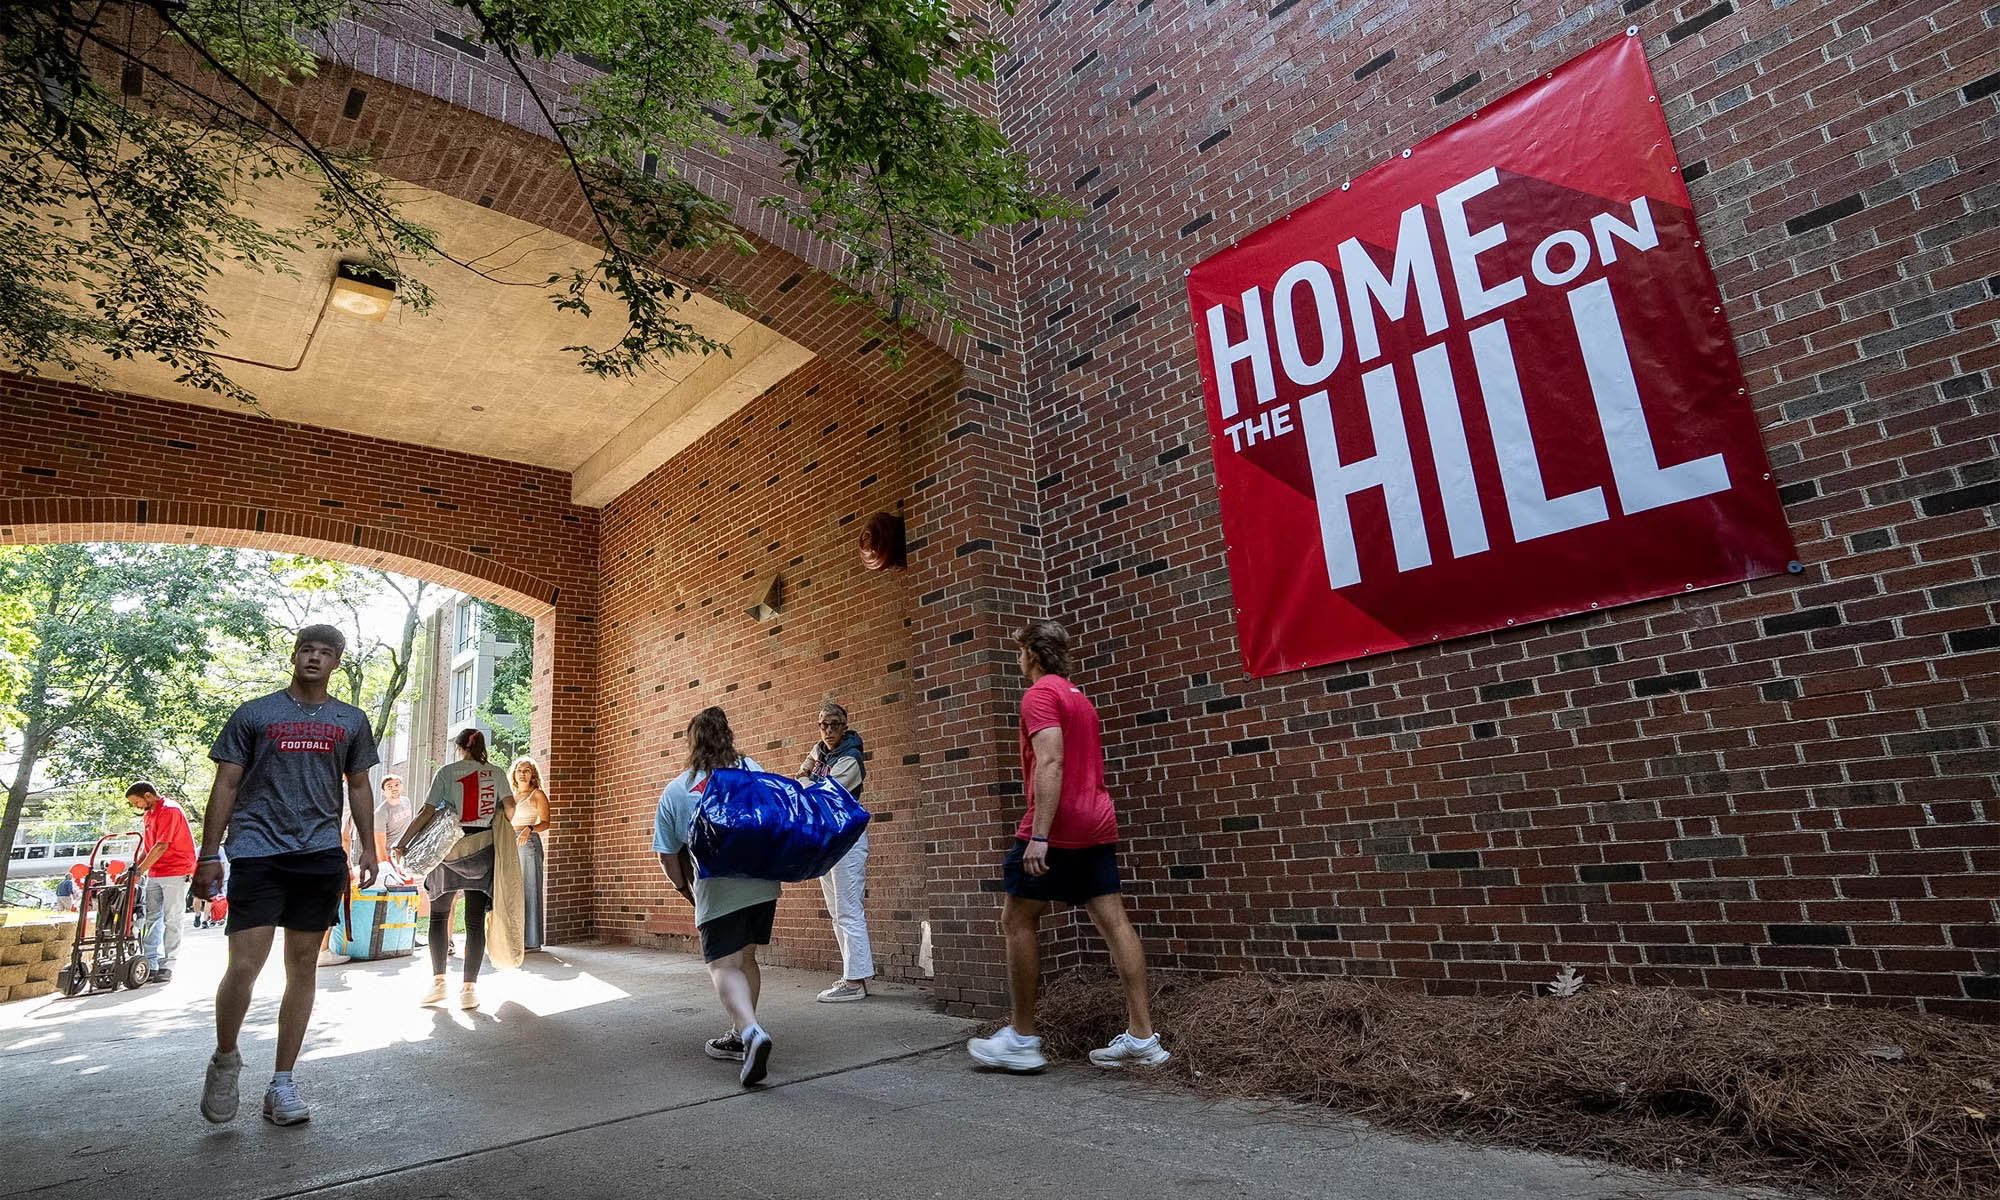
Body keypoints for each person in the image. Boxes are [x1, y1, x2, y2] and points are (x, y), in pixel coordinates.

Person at [194, 625, 379, 1126]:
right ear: (294, 656)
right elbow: (226, 783)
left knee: (303, 968)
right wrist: (208, 853)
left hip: (319, 854)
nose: (315, 658)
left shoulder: (350, 719)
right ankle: (226, 1058)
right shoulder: (256, 713)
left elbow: (359, 786)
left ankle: (282, 1083)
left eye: (325, 652)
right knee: (245, 965)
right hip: (257, 852)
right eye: (307, 650)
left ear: (336, 662)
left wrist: (368, 847)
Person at [967, 621, 1170, 1073]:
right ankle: (1143, 1037)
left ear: (1033, 656)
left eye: (1020, 654)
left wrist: (1039, 835)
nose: (1019, 662)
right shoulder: (1079, 698)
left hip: (1058, 826)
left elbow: (1052, 760)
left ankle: (1021, 1039)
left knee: (1017, 919)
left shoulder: (1040, 694)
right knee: (1114, 922)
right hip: (1096, 821)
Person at [654, 707, 778, 1086]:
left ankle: (752, 1031)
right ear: (728, 736)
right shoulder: (751, 769)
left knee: (723, 966)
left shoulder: (678, 789)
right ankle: (741, 1034)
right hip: (762, 883)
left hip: (717, 887)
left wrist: (684, 890)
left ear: (692, 743)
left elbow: (667, 852)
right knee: (746, 959)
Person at [395, 728, 523, 1010]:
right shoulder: (497, 772)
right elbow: (511, 809)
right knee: (475, 921)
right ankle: (469, 990)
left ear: (459, 747)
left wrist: (403, 843)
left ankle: (439, 984)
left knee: (439, 917)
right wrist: (496, 816)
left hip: (446, 850)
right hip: (482, 849)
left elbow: (426, 812)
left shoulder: (446, 771)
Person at [798, 701, 872, 1002]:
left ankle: (854, 982)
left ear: (845, 725)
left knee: (848, 909)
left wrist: (808, 781)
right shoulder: (820, 751)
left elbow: (824, 794)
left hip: (848, 838)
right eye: (823, 724)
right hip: (828, 838)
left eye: (834, 724)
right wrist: (809, 780)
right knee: (836, 912)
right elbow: (800, 775)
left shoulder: (851, 757)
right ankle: (853, 975)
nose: (828, 730)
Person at [125, 781, 198, 984]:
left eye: (136, 802)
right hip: (156, 872)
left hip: (176, 870)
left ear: (148, 795)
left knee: (172, 918)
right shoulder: (149, 815)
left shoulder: (170, 810)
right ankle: (150, 962)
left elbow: (161, 846)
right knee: (151, 918)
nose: (136, 806)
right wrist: (134, 870)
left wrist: (141, 869)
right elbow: (147, 848)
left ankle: (168, 964)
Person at [509, 757, 551, 952]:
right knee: (512, 891)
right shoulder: (511, 796)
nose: (522, 773)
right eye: (519, 770)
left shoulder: (537, 795)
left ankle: (531, 941)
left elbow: (546, 822)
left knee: (530, 889)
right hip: (509, 843)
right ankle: (514, 938)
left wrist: (530, 828)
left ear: (533, 774)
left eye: (527, 770)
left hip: (528, 844)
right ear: (514, 774)